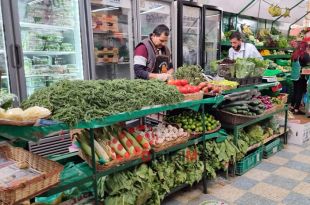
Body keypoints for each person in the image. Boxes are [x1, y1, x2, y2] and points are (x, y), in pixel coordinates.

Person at [290, 41, 310, 114]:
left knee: (295, 91)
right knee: (300, 92)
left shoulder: (295, 54)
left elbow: (291, 65)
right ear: (305, 47)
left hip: (294, 76)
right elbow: (308, 65)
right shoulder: (305, 55)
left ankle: (292, 106)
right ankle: (296, 109)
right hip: (301, 76)